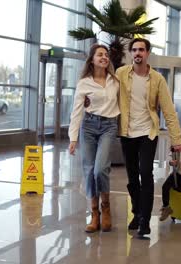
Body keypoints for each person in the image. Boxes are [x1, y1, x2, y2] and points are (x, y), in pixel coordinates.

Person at [116, 38, 181, 236]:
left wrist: (177, 140)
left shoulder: (157, 79)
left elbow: (169, 111)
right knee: (131, 176)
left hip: (148, 132)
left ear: (147, 53)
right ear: (131, 53)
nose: (138, 53)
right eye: (134, 50)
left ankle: (145, 219)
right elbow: (106, 92)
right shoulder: (121, 74)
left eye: (141, 50)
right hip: (127, 132)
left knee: (146, 172)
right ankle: (136, 212)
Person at [68, 44, 120, 233]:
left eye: (106, 55)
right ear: (92, 60)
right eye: (100, 55)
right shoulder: (84, 83)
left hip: (109, 126)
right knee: (89, 171)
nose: (104, 57)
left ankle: (106, 208)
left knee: (100, 170)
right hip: (88, 126)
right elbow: (76, 111)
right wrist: (73, 138)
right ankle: (95, 214)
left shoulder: (115, 81)